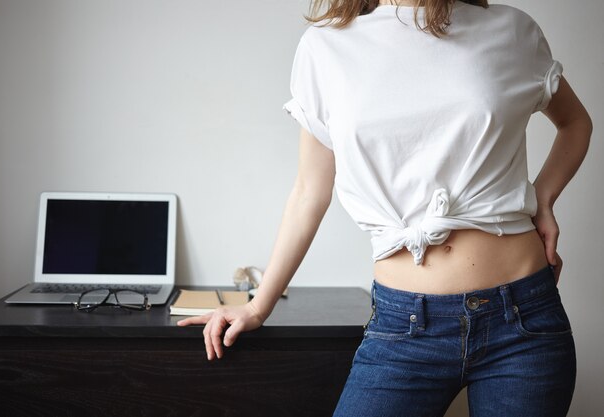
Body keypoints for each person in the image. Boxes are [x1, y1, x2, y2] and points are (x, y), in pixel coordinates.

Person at [178, 0, 592, 415]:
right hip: (403, 325)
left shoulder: (511, 29)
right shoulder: (326, 47)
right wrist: (257, 305)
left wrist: (544, 199)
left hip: (521, 320)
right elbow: (309, 192)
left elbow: (575, 122)